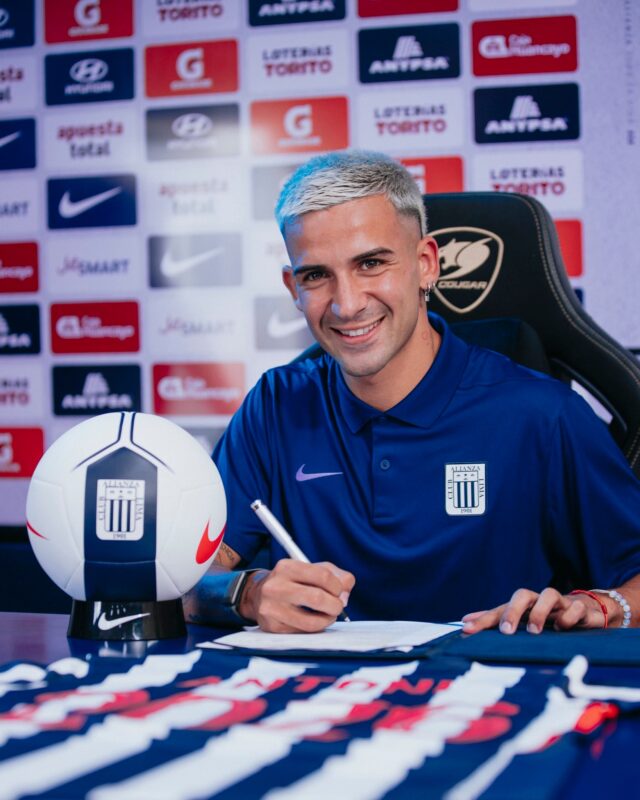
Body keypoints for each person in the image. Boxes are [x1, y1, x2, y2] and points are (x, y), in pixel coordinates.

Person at [184, 150, 640, 635]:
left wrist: (603, 605)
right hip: (316, 682)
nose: (346, 304)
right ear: (292, 288)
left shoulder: (545, 415)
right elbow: (186, 579)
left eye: (371, 263)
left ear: (425, 265)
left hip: (491, 678)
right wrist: (248, 593)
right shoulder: (275, 407)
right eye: (316, 275)